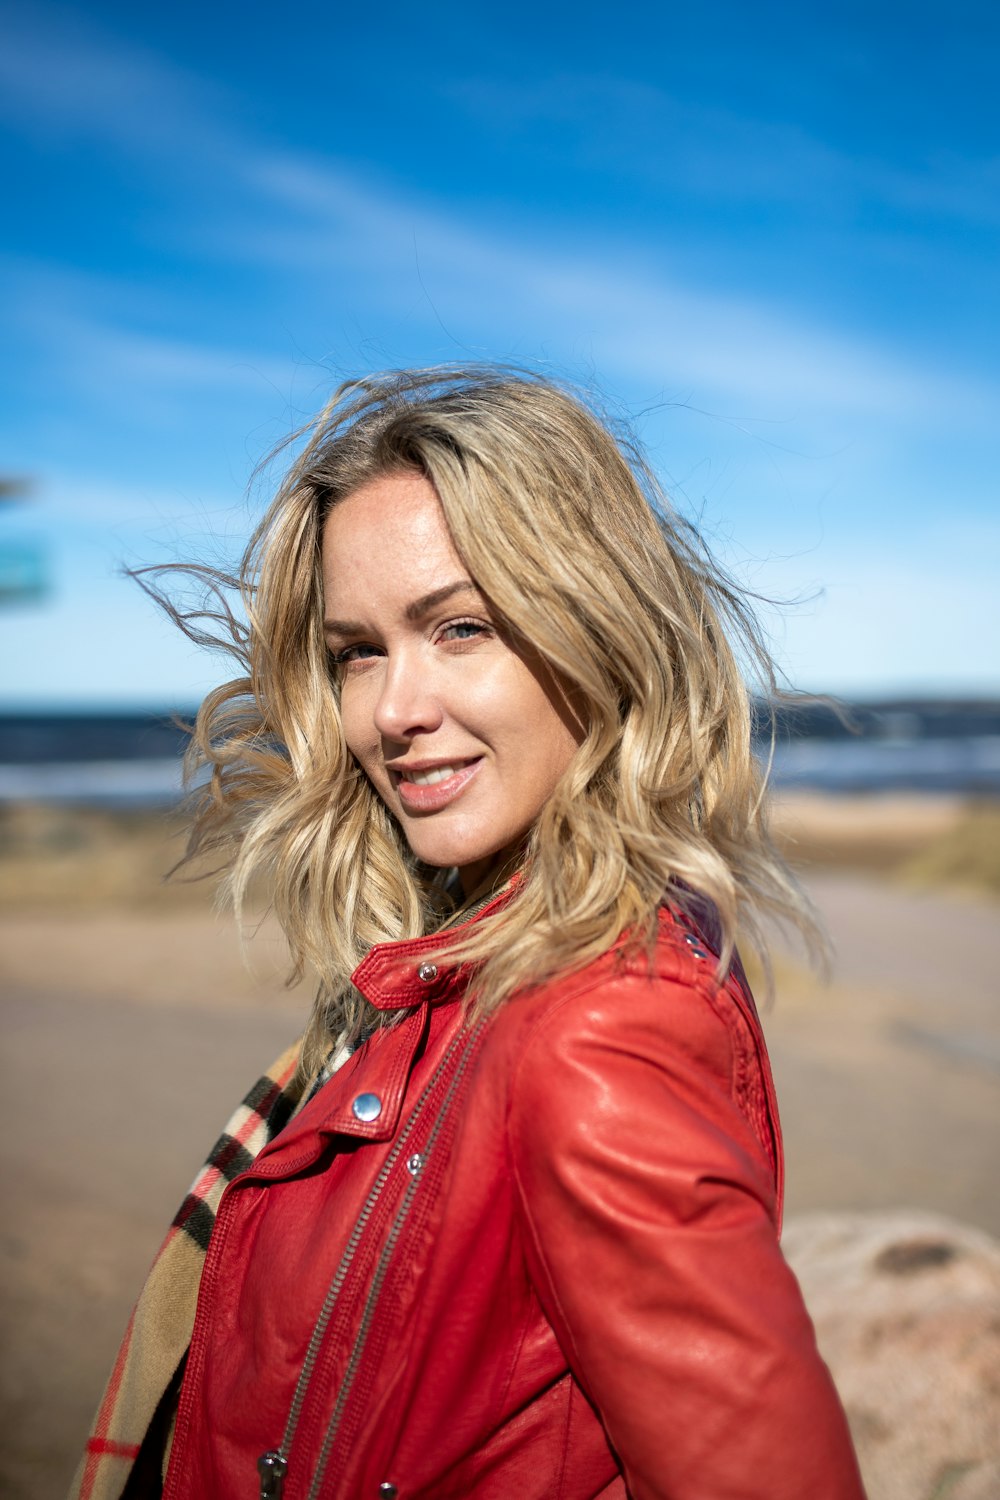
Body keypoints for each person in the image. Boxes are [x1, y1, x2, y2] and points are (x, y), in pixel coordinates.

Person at [72, 367, 866, 1500]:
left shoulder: (601, 1026)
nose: (394, 711)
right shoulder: (451, 968)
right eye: (359, 650)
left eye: (460, 628)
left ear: (596, 630)